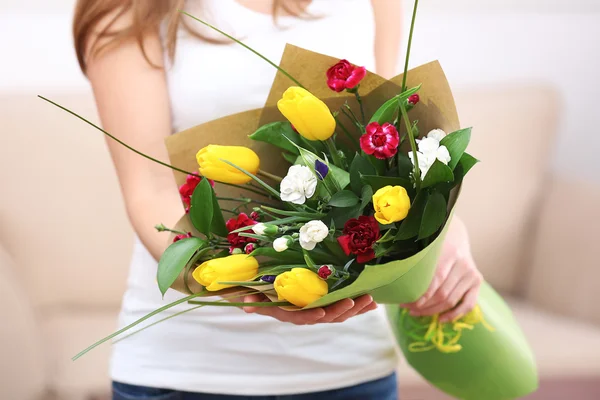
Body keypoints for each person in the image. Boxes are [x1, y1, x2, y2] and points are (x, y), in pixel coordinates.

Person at [73, 1, 483, 399]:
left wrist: (444, 229)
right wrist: (250, 285)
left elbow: (393, 146)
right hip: (189, 371)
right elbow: (151, 189)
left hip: (351, 365)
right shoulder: (126, 8)